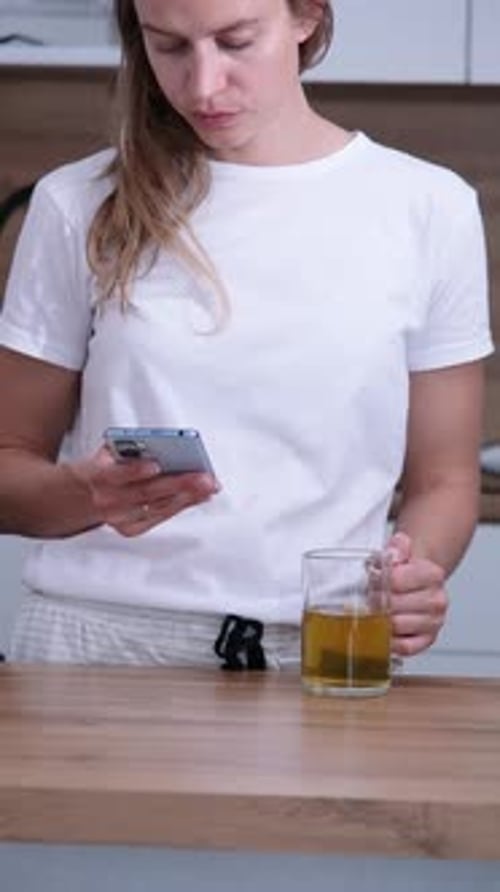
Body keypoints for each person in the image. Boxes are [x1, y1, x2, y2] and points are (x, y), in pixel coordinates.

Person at [0, 0, 493, 668]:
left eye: (236, 41)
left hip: (322, 649)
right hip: (95, 647)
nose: (202, 86)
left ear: (306, 17)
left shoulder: (430, 210)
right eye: (168, 47)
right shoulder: (77, 204)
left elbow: (444, 481)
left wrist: (413, 574)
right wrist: (85, 494)